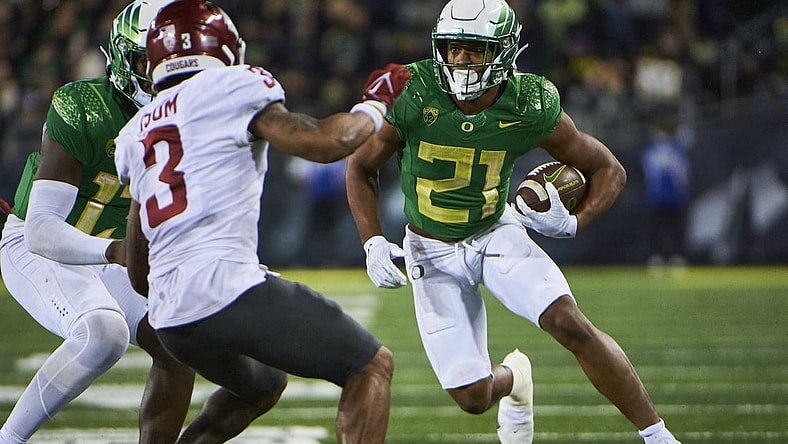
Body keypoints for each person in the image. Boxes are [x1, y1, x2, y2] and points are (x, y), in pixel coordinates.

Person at [345, 0, 682, 443]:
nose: (461, 60)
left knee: (569, 322)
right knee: (472, 396)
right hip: (429, 248)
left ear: (503, 51)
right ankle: (517, 378)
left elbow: (609, 170)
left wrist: (575, 223)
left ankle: (658, 436)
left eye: (474, 49)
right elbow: (359, 167)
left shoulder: (529, 103)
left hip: (492, 232)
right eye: (453, 48)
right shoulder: (412, 90)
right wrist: (371, 240)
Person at [114, 1, 395, 443]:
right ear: (223, 48)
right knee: (371, 366)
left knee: (261, 385)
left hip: (169, 316)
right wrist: (377, 105)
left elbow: (138, 271)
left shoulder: (135, 131)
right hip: (223, 287)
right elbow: (328, 142)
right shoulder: (231, 85)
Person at [0, 1, 198, 443]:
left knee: (178, 340)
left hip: (112, 253)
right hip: (42, 247)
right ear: (127, 62)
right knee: (104, 332)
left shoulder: (191, 121)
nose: (167, 76)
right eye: (154, 62)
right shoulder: (83, 105)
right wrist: (115, 252)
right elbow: (41, 230)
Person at [641, 117, 690, 267]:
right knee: (657, 228)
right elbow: (648, 172)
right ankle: (657, 256)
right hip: (658, 196)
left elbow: (683, 172)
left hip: (673, 195)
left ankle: (677, 255)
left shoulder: (676, 149)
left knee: (675, 227)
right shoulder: (650, 151)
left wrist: (682, 188)